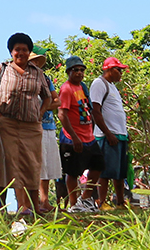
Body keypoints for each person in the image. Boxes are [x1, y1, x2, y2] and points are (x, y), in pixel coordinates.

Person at [0, 33, 51, 222]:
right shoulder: (2, 69)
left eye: (24, 49)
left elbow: (47, 97)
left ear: (29, 52)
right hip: (7, 123)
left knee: (31, 164)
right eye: (17, 49)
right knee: (7, 162)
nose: (20, 53)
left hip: (31, 126)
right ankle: (5, 206)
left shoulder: (38, 73)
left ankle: (33, 206)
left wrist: (39, 115)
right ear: (11, 51)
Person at [57, 55, 99, 212]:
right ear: (69, 71)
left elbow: (89, 110)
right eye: (76, 70)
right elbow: (62, 114)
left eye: (82, 70)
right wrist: (74, 137)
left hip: (89, 136)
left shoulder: (83, 87)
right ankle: (74, 205)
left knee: (98, 165)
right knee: (73, 171)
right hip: (71, 138)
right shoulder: (66, 89)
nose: (79, 73)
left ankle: (85, 199)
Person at [90, 56, 130, 209]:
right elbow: (95, 110)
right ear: (109, 70)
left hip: (119, 134)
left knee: (119, 172)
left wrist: (124, 132)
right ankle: (102, 201)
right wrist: (107, 133)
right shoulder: (99, 84)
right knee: (104, 172)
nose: (121, 73)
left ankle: (120, 202)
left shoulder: (112, 86)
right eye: (118, 70)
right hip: (107, 136)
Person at [32, 52, 61, 212]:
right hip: (34, 127)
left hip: (49, 125)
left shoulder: (45, 78)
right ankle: (34, 201)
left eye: (37, 60)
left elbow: (57, 101)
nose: (36, 63)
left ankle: (45, 200)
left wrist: (42, 106)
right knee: (38, 165)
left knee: (49, 165)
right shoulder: (26, 78)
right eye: (33, 60)